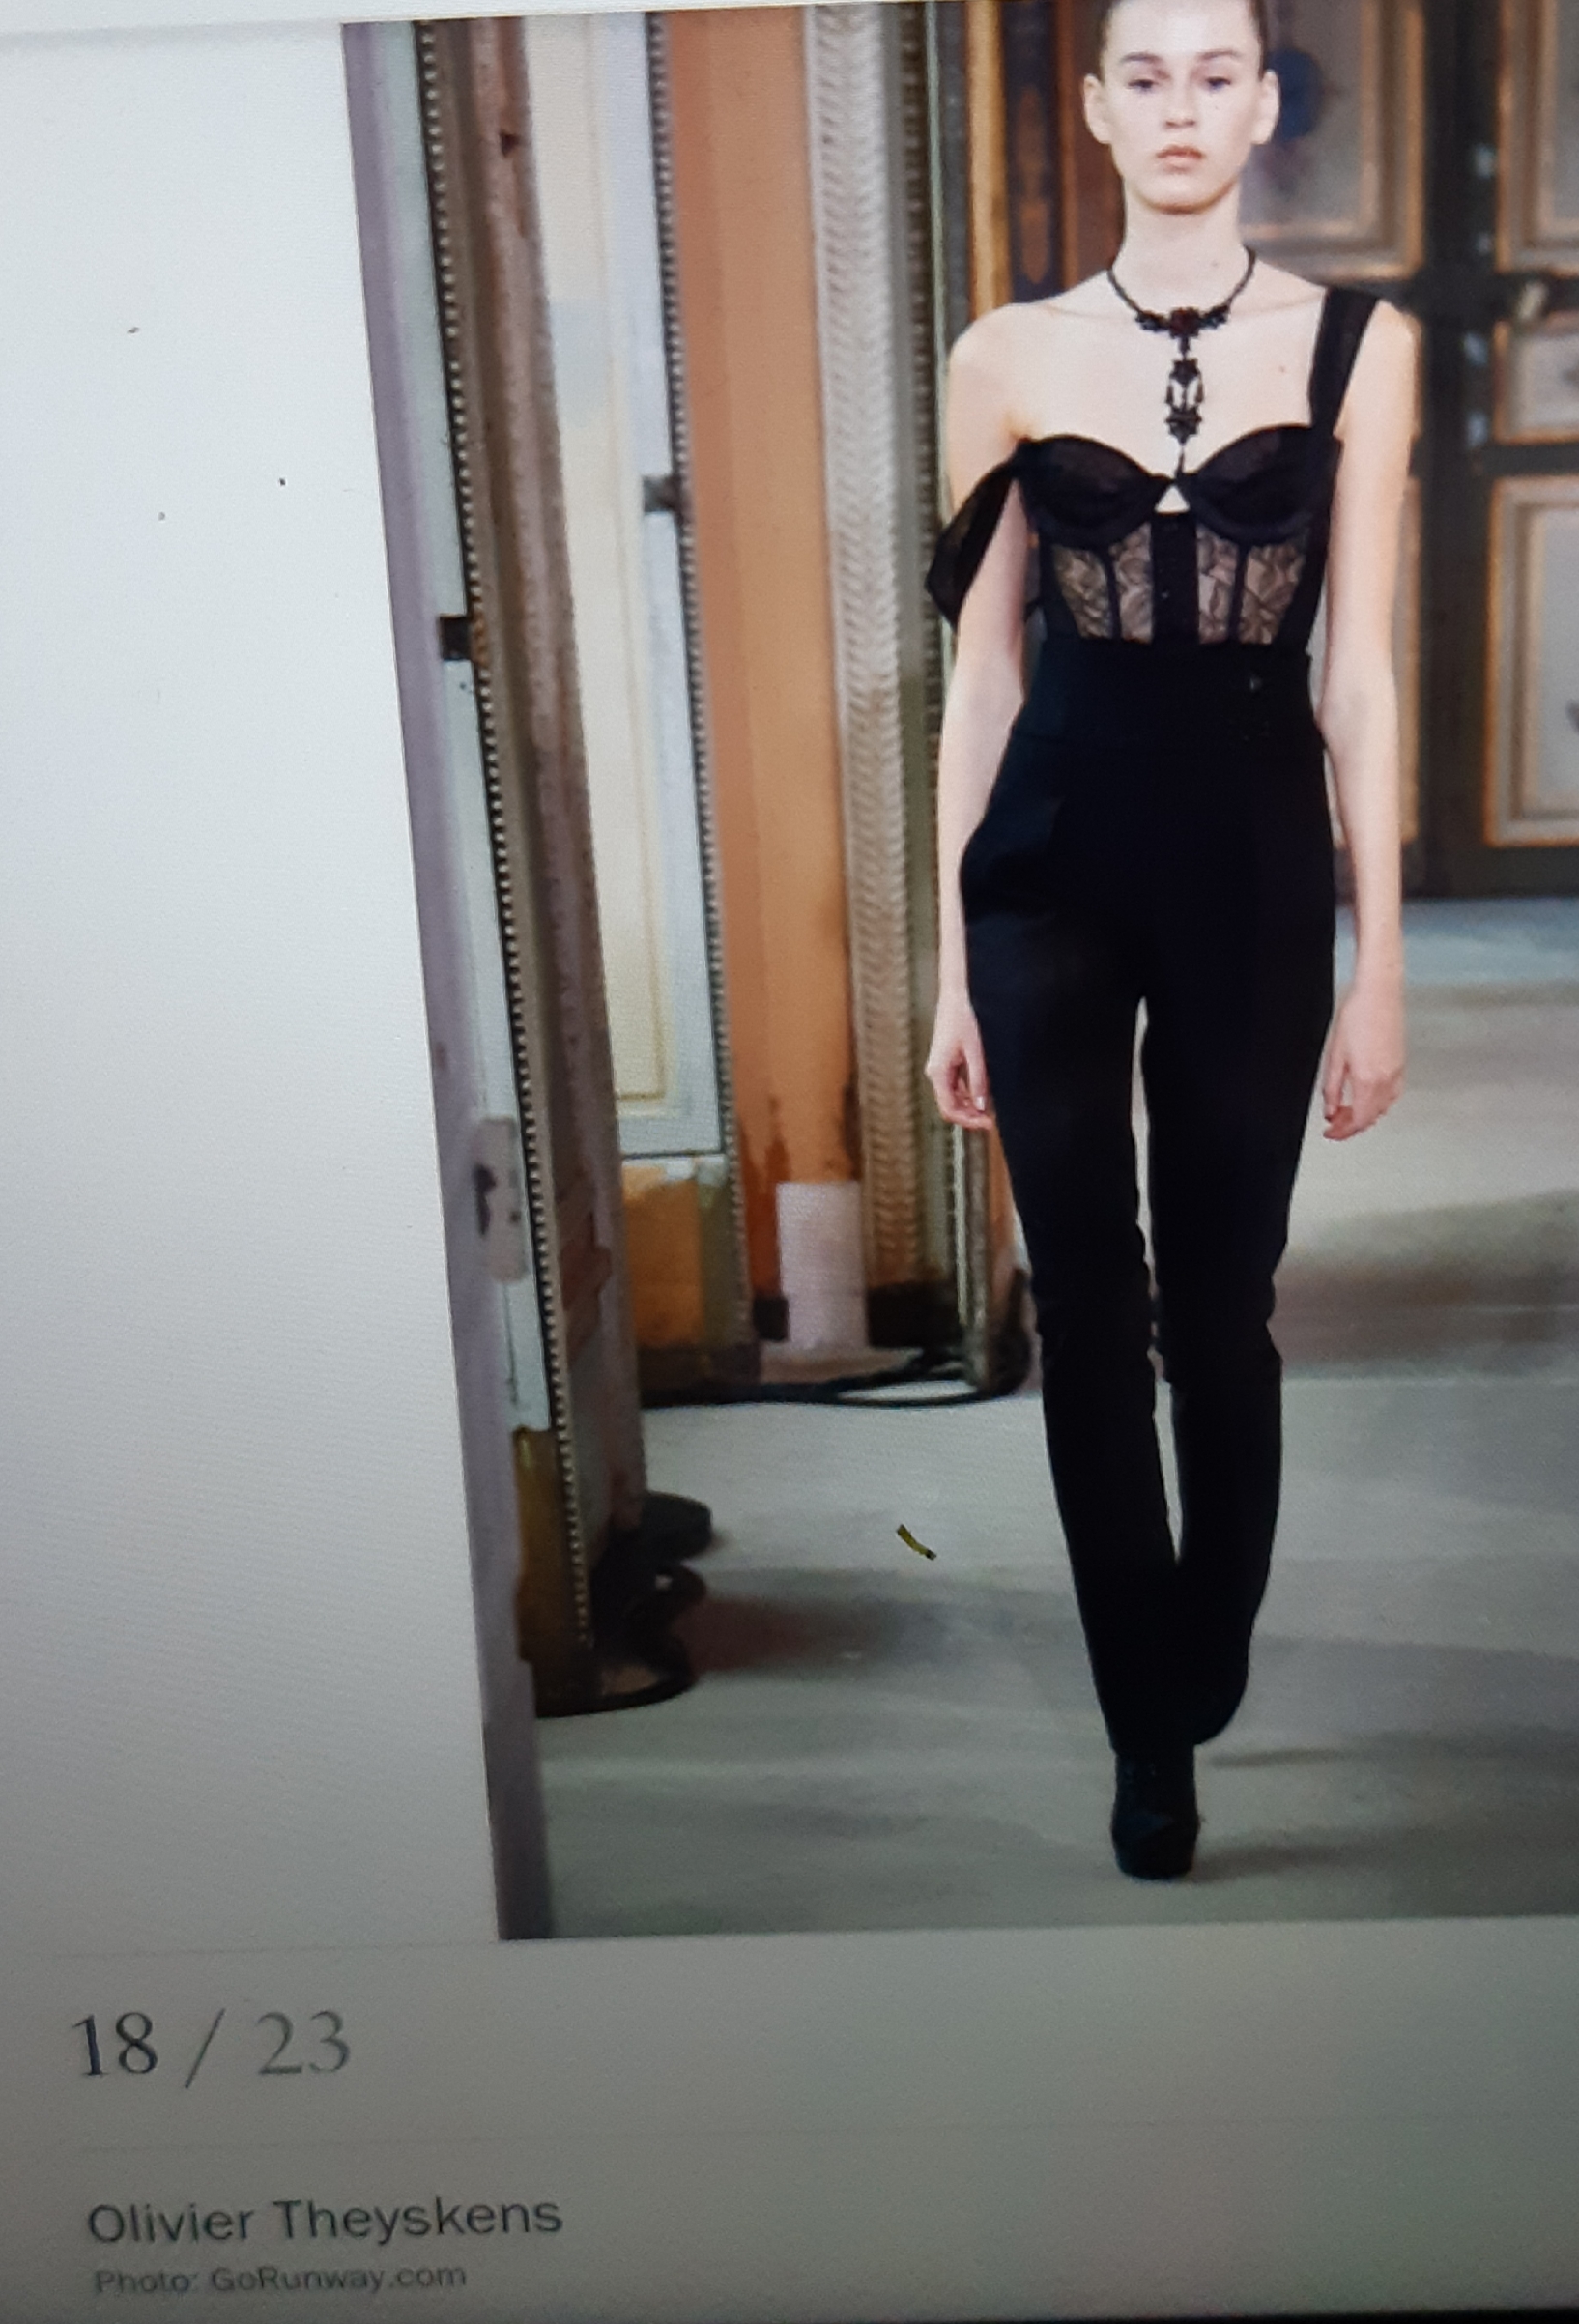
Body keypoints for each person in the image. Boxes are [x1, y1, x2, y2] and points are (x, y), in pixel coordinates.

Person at [924, 0, 1416, 1880]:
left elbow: (1357, 674)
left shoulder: (1358, 345)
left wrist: (1380, 967)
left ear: (1265, 104)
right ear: (1097, 108)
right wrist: (949, 966)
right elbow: (981, 677)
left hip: (1248, 864)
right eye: (1145, 75)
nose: (1181, 106)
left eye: (1216, 74)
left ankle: (1202, 1634)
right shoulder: (1005, 355)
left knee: (1221, 1307)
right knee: (1085, 1307)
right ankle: (1147, 1729)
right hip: (1047, 864)